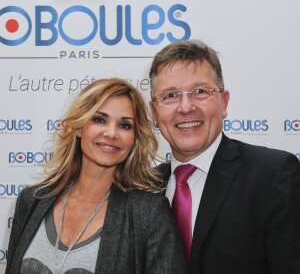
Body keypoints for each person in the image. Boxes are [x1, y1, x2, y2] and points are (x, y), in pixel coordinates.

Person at [6, 78, 187, 274]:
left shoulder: (149, 213)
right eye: (99, 119)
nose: (111, 133)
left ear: (134, 139)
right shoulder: (32, 201)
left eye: (125, 125)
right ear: (79, 128)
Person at [149, 40, 300, 274]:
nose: (186, 107)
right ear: (154, 113)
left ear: (224, 102)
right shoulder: (145, 187)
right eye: (170, 95)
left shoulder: (273, 175)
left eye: (200, 92)